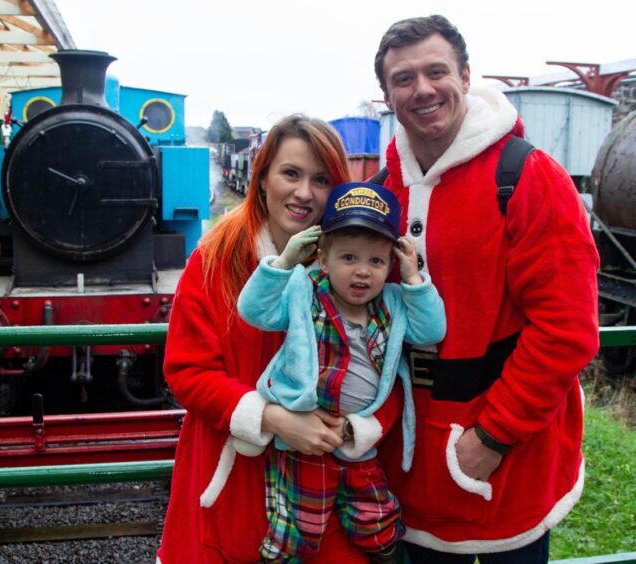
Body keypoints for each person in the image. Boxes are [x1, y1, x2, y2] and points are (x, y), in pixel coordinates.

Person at [372, 15, 599, 563]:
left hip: (505, 459)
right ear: (386, 94)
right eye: (403, 79)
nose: (422, 89)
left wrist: (493, 437)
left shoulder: (529, 178)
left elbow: (566, 331)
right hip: (410, 463)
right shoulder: (382, 193)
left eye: (436, 71)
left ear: (466, 76)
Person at [159, 115, 383, 563]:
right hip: (234, 478)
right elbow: (188, 371)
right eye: (291, 174)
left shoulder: (356, 269)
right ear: (261, 178)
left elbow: (388, 363)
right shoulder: (215, 260)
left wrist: (351, 429)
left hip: (327, 482)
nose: (303, 193)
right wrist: (274, 419)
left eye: (320, 179)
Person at [213, 181, 446, 562]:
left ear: (390, 265)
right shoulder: (306, 290)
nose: (362, 273)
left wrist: (414, 278)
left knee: (375, 515)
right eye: (349, 258)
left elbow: (431, 330)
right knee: (301, 522)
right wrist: (284, 263)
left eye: (376, 261)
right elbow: (255, 311)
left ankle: (385, 551)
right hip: (306, 434)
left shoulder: (393, 302)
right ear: (323, 258)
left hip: (357, 437)